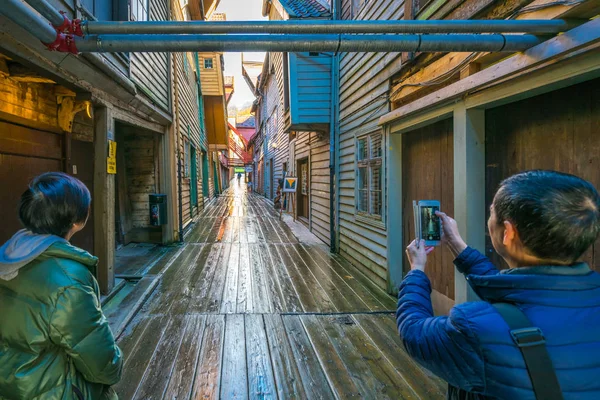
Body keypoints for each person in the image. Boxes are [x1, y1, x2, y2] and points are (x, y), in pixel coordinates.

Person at [397, 170, 600, 399]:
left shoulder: (474, 328)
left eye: (491, 213)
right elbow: (517, 297)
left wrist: (416, 270)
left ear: (508, 232)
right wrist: (457, 245)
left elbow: (414, 332)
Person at [0, 172, 123, 399]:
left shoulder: (8, 254)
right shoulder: (69, 281)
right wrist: (116, 364)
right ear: (77, 220)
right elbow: (103, 366)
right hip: (53, 391)